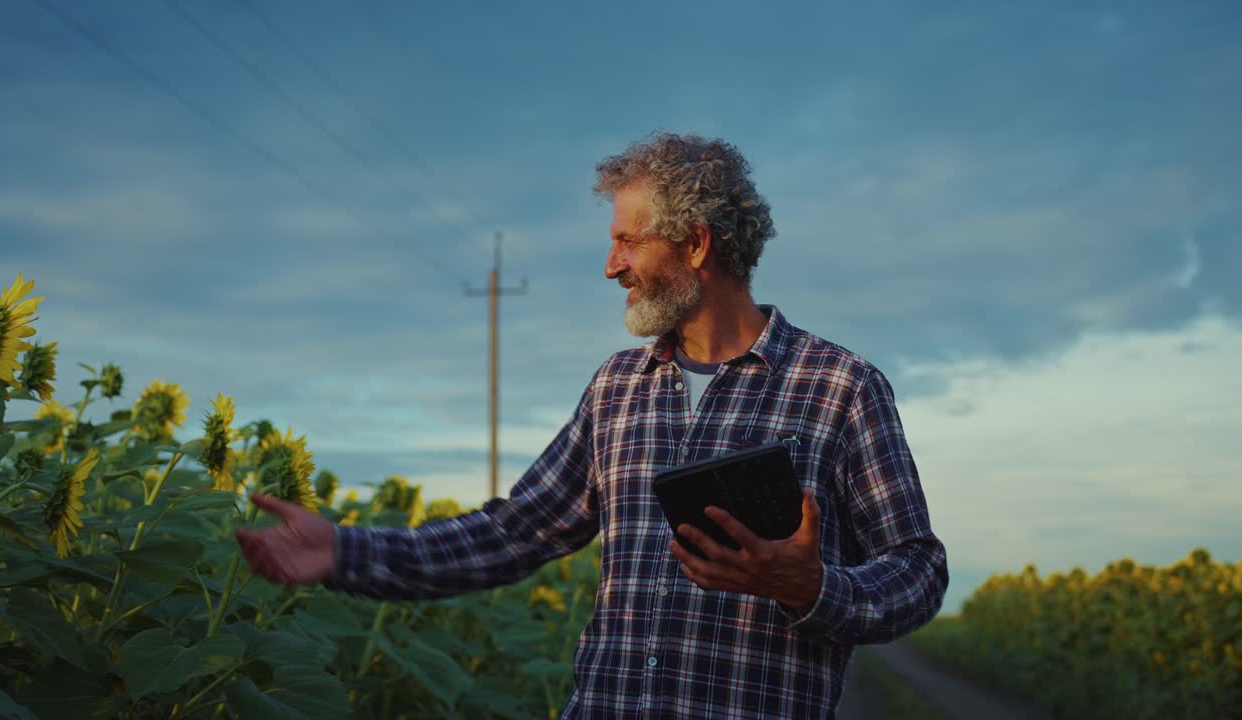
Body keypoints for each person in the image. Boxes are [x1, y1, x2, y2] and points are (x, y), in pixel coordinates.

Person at [236, 132, 949, 719]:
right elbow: (516, 530)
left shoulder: (841, 388)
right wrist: (346, 552)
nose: (611, 267)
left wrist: (811, 588)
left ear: (696, 245)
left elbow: (918, 571)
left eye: (628, 243)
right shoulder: (617, 387)